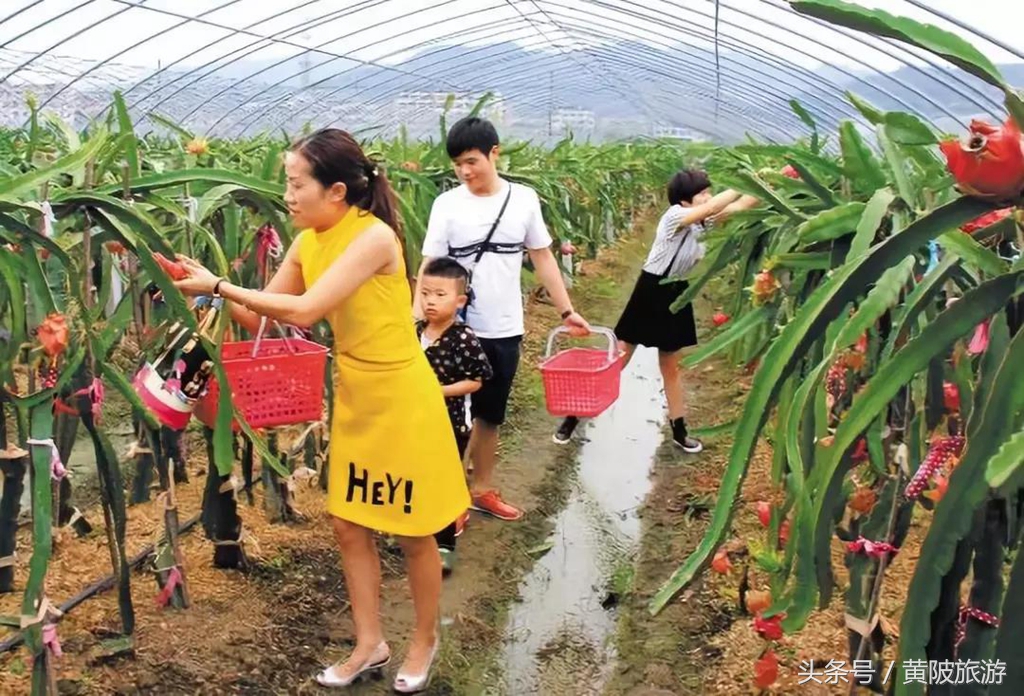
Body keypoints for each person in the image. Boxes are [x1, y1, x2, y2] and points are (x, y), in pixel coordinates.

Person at [173, 128, 467, 692]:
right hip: (356, 395)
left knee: (411, 528)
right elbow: (266, 321)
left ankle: (423, 638)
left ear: (336, 190)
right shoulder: (309, 240)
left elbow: (306, 310)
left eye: (295, 183)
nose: (288, 194)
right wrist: (204, 292)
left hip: (402, 398)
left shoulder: (374, 238)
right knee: (349, 524)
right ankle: (368, 643)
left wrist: (225, 285)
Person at [414, 116, 590, 522]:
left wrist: (566, 309)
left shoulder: (524, 200)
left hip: (505, 326)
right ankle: (447, 498)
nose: (465, 171)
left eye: (472, 160)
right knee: (449, 415)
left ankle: (482, 489)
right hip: (453, 330)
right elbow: (429, 266)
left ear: (495, 153)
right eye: (458, 163)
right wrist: (417, 322)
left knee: (491, 414)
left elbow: (542, 256)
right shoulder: (447, 205)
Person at [552, 169, 759, 451]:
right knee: (618, 359)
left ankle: (679, 430)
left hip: (677, 291)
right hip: (651, 289)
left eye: (709, 192)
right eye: (702, 193)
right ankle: (572, 419)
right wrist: (742, 182)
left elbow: (738, 207)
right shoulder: (674, 216)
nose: (708, 197)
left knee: (671, 367)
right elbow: (715, 206)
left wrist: (764, 183)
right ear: (685, 200)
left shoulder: (703, 224)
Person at [415, 257, 493, 575]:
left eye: (440, 295)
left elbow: (477, 379)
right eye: (425, 293)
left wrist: (438, 392)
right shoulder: (415, 331)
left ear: (460, 301)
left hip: (450, 421)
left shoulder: (463, 338)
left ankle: (445, 543)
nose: (431, 301)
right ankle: (415, 533)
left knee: (443, 480)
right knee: (415, 473)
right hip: (414, 420)